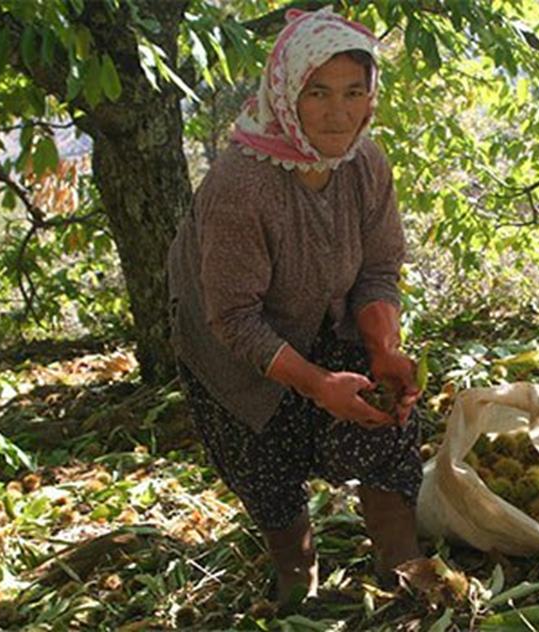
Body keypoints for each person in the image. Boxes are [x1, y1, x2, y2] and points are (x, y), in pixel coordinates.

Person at [165, 7, 423, 605]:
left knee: (387, 420)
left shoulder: (365, 165)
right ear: (287, 95)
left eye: (354, 92)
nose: (339, 113)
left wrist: (383, 347)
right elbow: (233, 318)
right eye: (319, 93)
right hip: (231, 341)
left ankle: (404, 567)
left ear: (371, 97)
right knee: (267, 460)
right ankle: (295, 578)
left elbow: (379, 269)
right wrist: (313, 383)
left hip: (324, 312)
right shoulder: (244, 184)